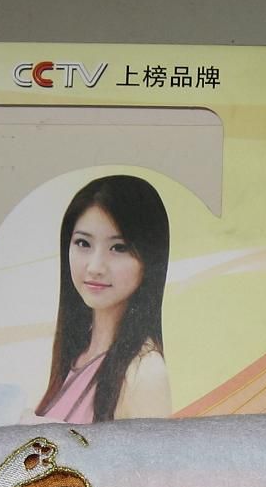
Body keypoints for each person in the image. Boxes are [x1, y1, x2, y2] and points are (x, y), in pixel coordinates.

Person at [34, 175, 172, 423]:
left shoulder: (144, 372)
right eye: (83, 243)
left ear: (150, 258)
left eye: (119, 247)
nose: (95, 267)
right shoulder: (77, 353)